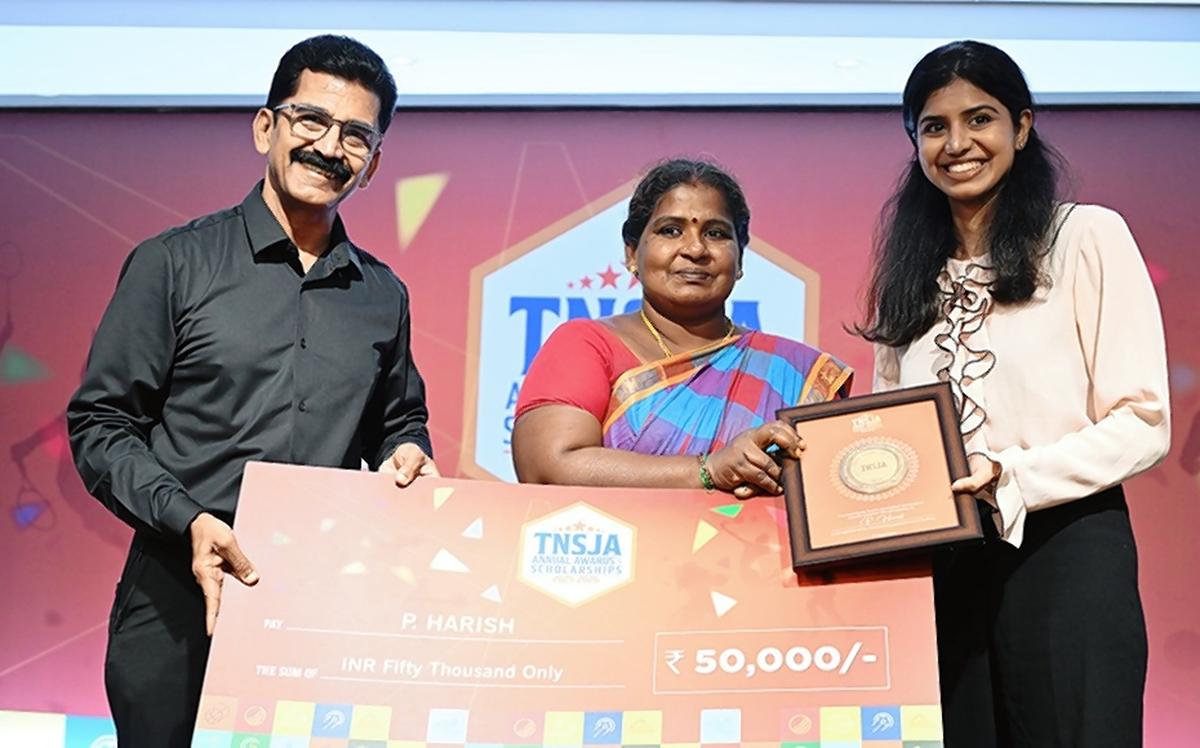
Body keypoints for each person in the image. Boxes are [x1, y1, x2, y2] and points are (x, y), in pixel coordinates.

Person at [67, 35, 436, 745]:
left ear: (375, 163)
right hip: (175, 584)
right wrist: (189, 518)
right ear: (266, 127)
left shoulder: (382, 294)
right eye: (312, 122)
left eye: (357, 136)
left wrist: (407, 450)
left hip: (315, 602)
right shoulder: (173, 264)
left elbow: (399, 419)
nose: (332, 148)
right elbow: (102, 425)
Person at [859, 40, 1170, 746]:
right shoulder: (908, 272)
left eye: (981, 119)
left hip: (1066, 547)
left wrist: (1013, 474)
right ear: (915, 141)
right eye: (934, 126)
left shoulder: (1085, 236)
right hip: (939, 563)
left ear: (1022, 127)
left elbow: (1144, 420)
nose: (958, 143)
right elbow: (888, 428)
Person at [512, 158, 851, 495]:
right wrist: (709, 470)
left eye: (716, 233)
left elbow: (830, 497)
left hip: (758, 547)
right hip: (627, 545)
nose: (695, 249)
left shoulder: (797, 371)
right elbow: (547, 467)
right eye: (670, 230)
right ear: (632, 254)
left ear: (741, 260)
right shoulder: (587, 344)